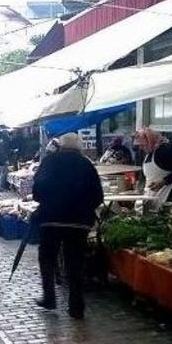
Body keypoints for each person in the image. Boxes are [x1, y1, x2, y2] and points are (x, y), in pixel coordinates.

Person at [32, 133, 103, 320]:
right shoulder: (86, 165)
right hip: (78, 223)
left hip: (51, 220)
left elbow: (37, 192)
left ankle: (49, 297)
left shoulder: (49, 162)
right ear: (79, 147)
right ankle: (76, 307)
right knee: (75, 264)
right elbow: (98, 197)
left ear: (60, 146)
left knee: (47, 258)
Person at [135, 128, 172, 208]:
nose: (140, 148)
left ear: (150, 141)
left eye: (142, 145)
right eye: (139, 145)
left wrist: (163, 181)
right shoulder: (148, 152)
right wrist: (139, 188)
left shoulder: (166, 150)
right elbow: (144, 175)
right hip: (153, 194)